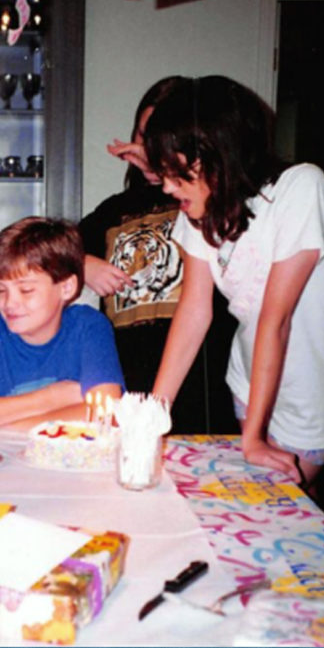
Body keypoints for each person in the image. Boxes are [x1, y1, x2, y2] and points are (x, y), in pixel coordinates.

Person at [145, 75, 324, 484]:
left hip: (312, 389)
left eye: (177, 173)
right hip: (251, 378)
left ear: (219, 154)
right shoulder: (199, 210)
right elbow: (193, 312)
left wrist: (255, 436)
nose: (168, 187)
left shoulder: (299, 187)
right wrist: (154, 415)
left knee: (293, 506)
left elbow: (274, 320)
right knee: (257, 505)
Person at [80, 77, 237, 433]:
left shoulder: (207, 199)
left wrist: (161, 165)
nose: (148, 147)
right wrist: (82, 262)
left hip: (204, 383)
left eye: (160, 139)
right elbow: (46, 249)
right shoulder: (113, 210)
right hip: (127, 382)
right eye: (142, 135)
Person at [0, 216, 124, 430]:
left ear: (67, 288)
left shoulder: (88, 326)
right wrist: (48, 399)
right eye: (1, 289)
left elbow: (106, 414)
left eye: (26, 290)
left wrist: (4, 431)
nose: (9, 303)